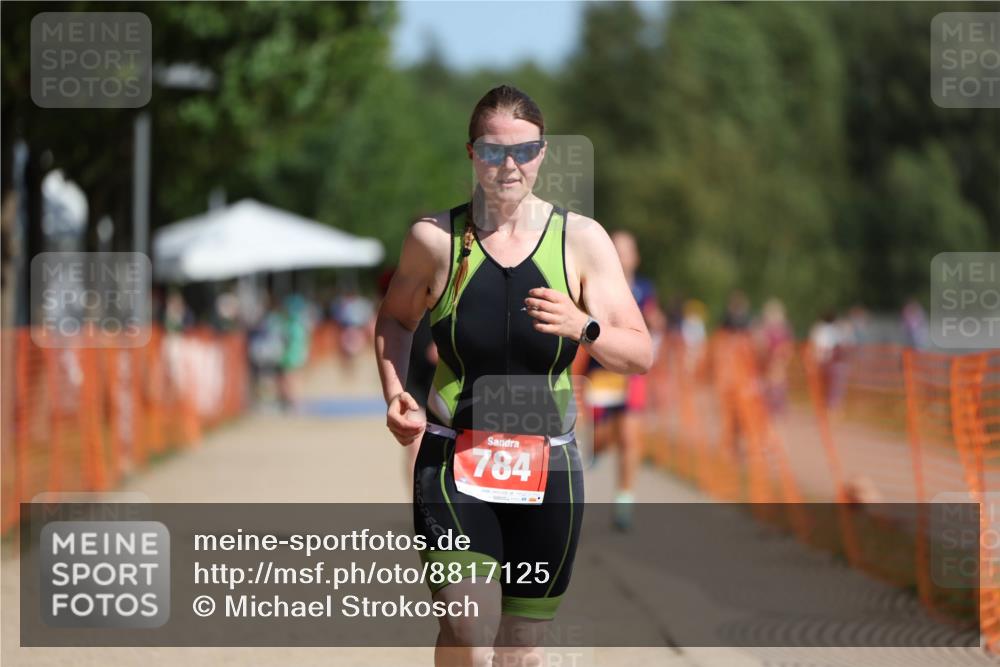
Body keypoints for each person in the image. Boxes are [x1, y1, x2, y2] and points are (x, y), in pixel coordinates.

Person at [374, 85, 652, 667]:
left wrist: (584, 326)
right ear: (472, 153)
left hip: (548, 468)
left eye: (524, 151)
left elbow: (640, 352)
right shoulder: (434, 239)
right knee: (468, 630)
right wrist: (398, 392)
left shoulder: (581, 241)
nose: (510, 166)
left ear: (543, 153)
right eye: (494, 151)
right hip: (454, 459)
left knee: (520, 649)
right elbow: (396, 321)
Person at [577, 230, 663, 531]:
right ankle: (598, 449)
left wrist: (655, 323)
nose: (622, 254)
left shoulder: (644, 288)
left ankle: (625, 499)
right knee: (601, 438)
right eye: (617, 248)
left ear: (635, 257)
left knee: (630, 436)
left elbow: (654, 318)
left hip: (630, 373)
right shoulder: (594, 282)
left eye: (627, 249)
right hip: (601, 372)